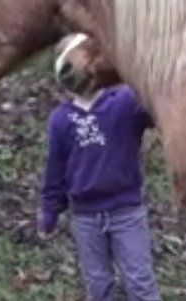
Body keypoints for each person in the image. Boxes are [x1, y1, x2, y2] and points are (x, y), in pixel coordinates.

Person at [37, 33, 161, 301]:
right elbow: (55, 169)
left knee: (139, 282)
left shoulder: (125, 103)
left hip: (126, 212)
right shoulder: (61, 119)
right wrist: (49, 210)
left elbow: (156, 107)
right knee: (98, 285)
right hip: (86, 218)